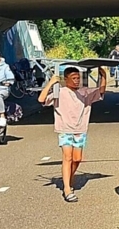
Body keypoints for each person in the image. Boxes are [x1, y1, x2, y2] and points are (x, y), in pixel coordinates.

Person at [39, 66, 107, 203]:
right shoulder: (60, 92)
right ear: (66, 79)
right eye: (73, 78)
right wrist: (51, 82)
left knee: (77, 159)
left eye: (78, 78)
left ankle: (69, 178)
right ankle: (67, 189)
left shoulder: (85, 93)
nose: (77, 81)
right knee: (67, 157)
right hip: (64, 129)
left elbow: (101, 91)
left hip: (80, 130)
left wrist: (103, 75)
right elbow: (41, 99)